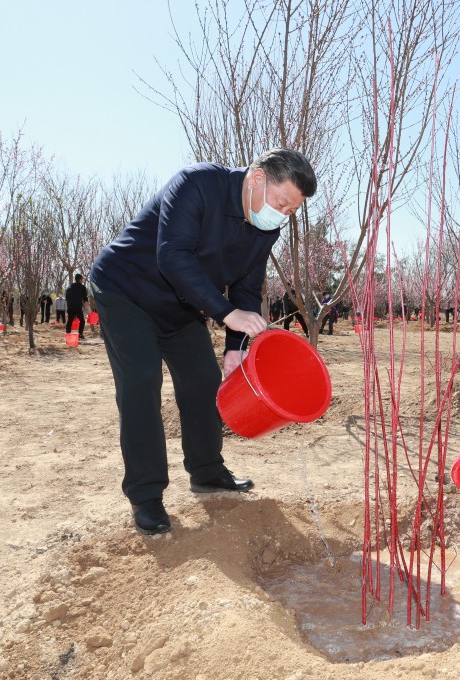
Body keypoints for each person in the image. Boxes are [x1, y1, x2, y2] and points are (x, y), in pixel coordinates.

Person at [89, 148, 317, 535]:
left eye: (291, 212)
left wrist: (234, 347)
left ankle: (207, 472)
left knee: (203, 383)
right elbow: (172, 257)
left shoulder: (266, 229)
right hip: (125, 291)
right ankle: (146, 496)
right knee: (142, 381)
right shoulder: (196, 184)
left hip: (181, 308)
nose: (281, 215)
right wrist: (226, 314)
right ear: (258, 179)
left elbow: (246, 287)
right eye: (281, 203)